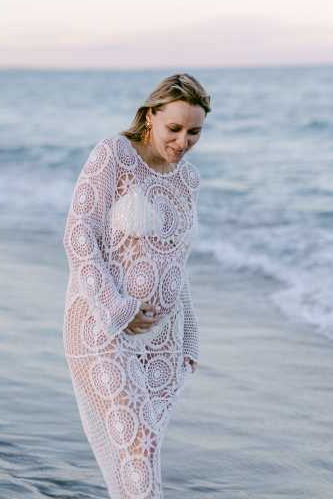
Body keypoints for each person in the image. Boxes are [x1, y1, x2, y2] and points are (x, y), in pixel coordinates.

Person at [62, 72, 211, 498]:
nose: (183, 141)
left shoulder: (188, 180)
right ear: (150, 117)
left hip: (163, 341)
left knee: (143, 452)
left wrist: (191, 336)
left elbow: (175, 263)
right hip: (103, 328)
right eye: (175, 129)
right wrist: (116, 309)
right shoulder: (114, 155)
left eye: (195, 132)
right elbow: (78, 235)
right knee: (138, 446)